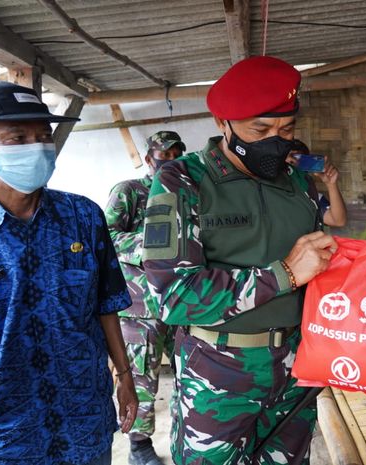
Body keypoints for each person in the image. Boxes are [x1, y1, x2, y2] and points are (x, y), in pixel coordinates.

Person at [141, 56, 337, 465]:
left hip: (296, 368)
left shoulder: (298, 183)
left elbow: (318, 267)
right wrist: (282, 273)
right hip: (217, 373)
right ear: (222, 123)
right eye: (261, 129)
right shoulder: (183, 180)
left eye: (287, 129)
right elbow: (172, 297)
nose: (276, 141)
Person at [0, 81, 138, 465]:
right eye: (17, 137)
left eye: (43, 136)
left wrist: (124, 375)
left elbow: (106, 304)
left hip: (84, 420)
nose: (36, 147)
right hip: (0, 433)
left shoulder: (83, 217)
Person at [104, 130, 185, 465]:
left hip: (184, 304)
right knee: (141, 380)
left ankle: (186, 439)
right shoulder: (129, 191)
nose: (169, 160)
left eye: (175, 154)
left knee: (191, 378)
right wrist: (148, 246)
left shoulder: (189, 193)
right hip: (140, 308)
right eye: (163, 155)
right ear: (149, 157)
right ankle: (139, 446)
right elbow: (106, 235)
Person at [287, 140, 347, 228]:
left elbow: (338, 221)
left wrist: (331, 184)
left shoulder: (312, 196)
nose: (290, 161)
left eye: (297, 158)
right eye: (286, 157)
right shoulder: (267, 190)